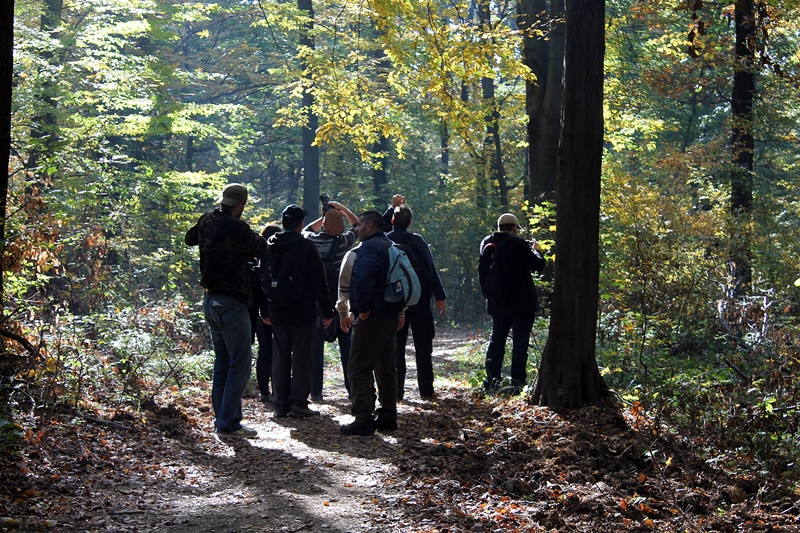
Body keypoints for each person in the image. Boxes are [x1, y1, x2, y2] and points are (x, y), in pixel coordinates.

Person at [185, 183, 268, 438]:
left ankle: (222, 419)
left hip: (211, 301)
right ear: (241, 204)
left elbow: (190, 238)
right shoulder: (237, 227)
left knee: (222, 363)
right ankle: (228, 424)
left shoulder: (207, 221)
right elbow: (262, 248)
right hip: (233, 302)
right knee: (240, 364)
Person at [262, 204, 335, 418]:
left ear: (283, 223)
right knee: (302, 357)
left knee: (280, 356)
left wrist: (263, 309)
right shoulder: (306, 247)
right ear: (300, 224)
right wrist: (327, 311)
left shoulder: (269, 246)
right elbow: (319, 281)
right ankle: (298, 404)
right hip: (303, 311)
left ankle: (280, 403)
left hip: (277, 310)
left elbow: (261, 279)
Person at [340, 210, 405, 436]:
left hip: (373, 317)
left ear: (369, 226)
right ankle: (388, 417)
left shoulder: (368, 248)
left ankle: (363, 419)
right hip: (389, 315)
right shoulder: (390, 246)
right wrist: (400, 311)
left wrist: (360, 308)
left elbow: (363, 278)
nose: (355, 229)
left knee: (358, 367)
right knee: (386, 368)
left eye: (358, 225)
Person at [382, 195, 446, 401]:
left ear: (392, 220)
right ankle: (426, 390)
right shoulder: (416, 240)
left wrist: (390, 209)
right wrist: (439, 296)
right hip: (419, 299)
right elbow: (430, 268)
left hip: (393, 301)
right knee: (423, 345)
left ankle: (397, 392)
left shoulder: (384, 240)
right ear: (410, 222)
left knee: (395, 348)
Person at [479, 212, 546, 394]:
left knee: (497, 341)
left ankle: (492, 381)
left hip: (497, 301)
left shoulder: (487, 242)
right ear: (515, 228)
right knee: (520, 343)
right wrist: (535, 250)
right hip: (521, 303)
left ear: (499, 227)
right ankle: (517, 383)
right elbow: (539, 265)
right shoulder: (518, 244)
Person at [302, 200, 359, 401]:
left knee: (316, 347)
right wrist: (342, 209)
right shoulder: (345, 242)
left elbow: (307, 229)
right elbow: (358, 226)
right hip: (342, 300)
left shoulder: (312, 241)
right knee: (347, 345)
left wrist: (324, 215)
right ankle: (352, 389)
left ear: (324, 224)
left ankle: (316, 391)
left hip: (317, 300)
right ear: (342, 226)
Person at [254, 223, 282, 405]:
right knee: (279, 351)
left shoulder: (258, 258)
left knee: (264, 351)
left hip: (260, 311)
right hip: (278, 310)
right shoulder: (279, 258)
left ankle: (264, 391)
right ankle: (278, 391)